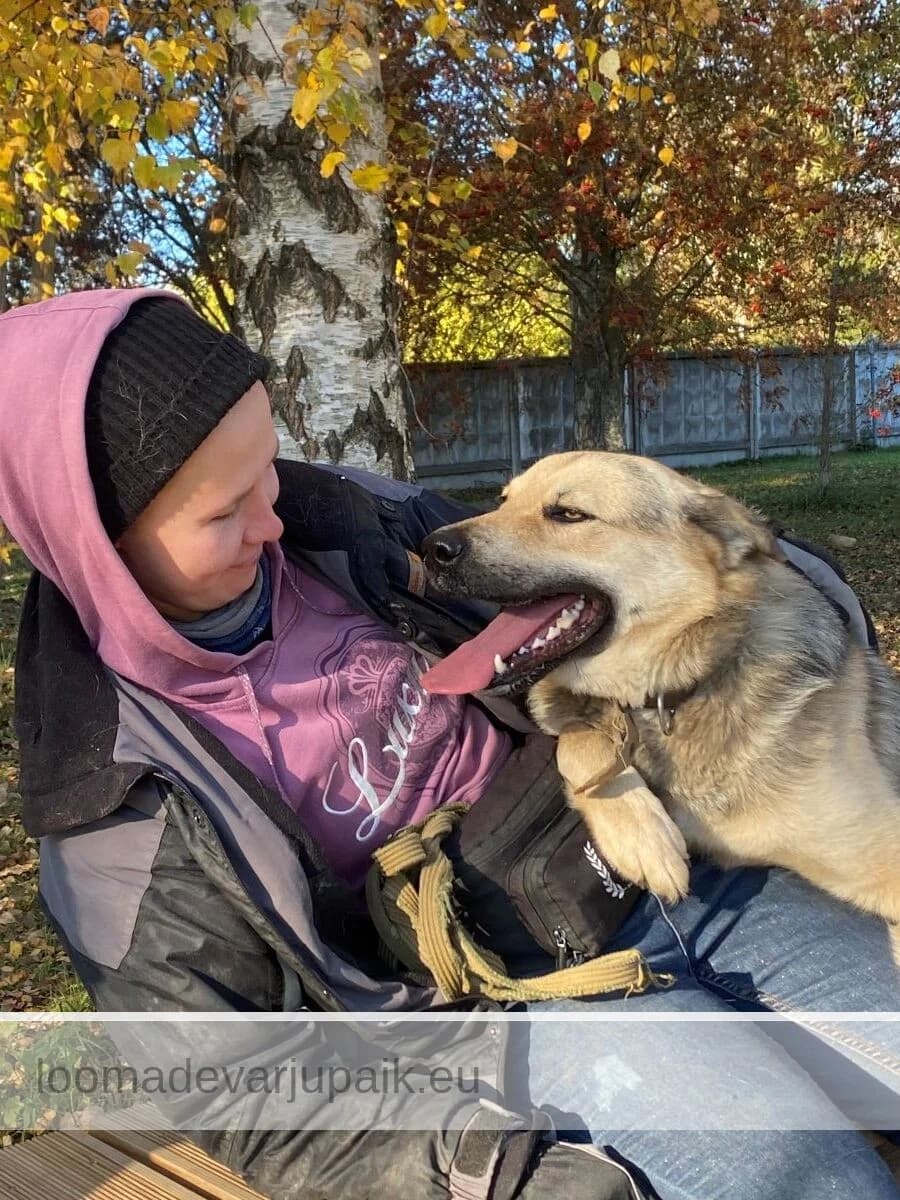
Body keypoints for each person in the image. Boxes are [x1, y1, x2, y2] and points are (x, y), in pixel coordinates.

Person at [0, 287, 896, 1200]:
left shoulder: (355, 526)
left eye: (268, 468)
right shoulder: (109, 803)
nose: (271, 521)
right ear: (95, 543)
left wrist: (794, 608)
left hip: (671, 864)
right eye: (223, 513)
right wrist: (488, 1173)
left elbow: (606, 588)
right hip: (523, 1006)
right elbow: (236, 1083)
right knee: (817, 1180)